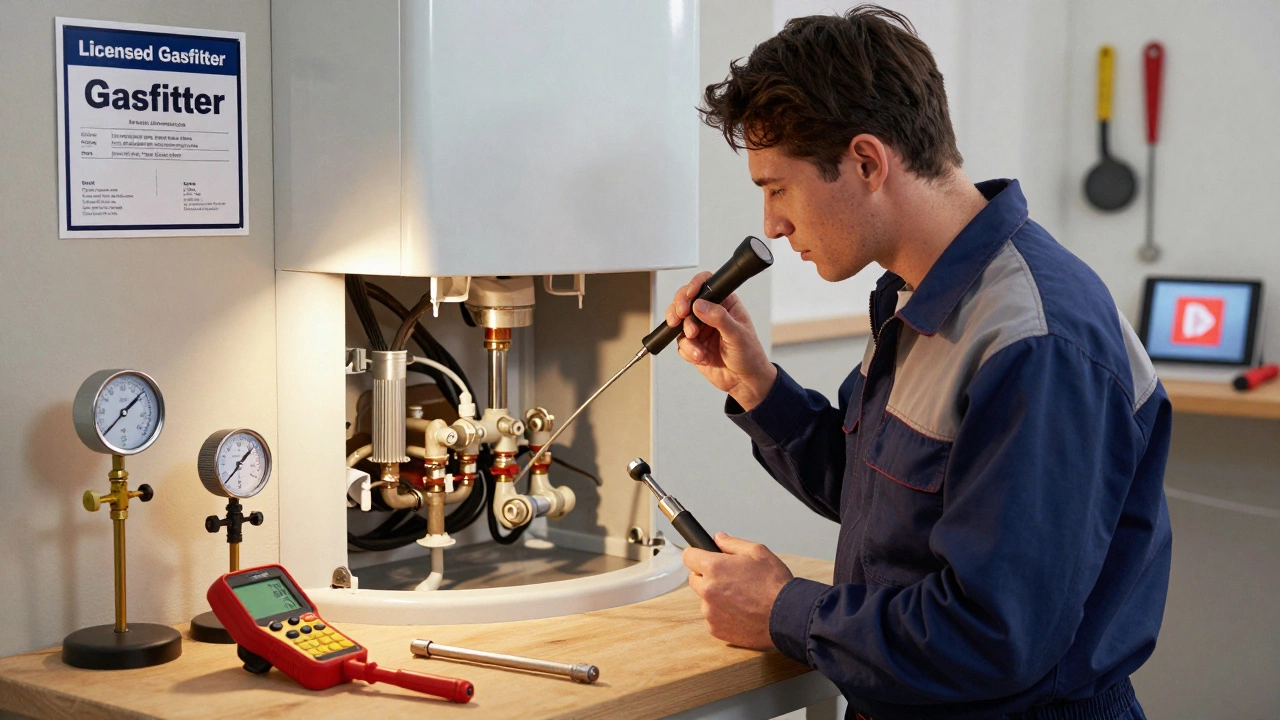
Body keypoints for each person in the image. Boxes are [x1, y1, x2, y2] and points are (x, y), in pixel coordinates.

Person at [663, 6, 1172, 720]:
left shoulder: (1035, 342)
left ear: (867, 163)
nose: (772, 224)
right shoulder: (922, 296)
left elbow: (992, 638)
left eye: (777, 188)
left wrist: (784, 609)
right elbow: (890, 507)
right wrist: (759, 388)